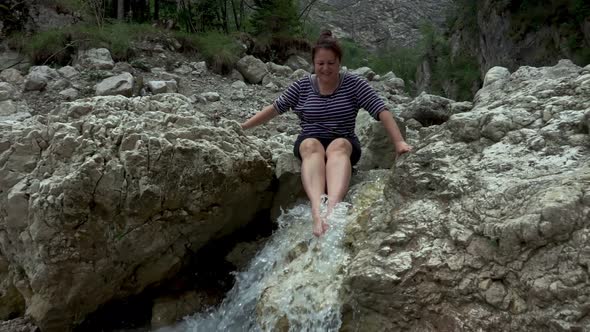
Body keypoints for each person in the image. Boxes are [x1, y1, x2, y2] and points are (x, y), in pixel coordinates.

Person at [240, 30, 412, 237]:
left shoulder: (354, 84)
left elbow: (381, 111)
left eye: (331, 63)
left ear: (339, 63)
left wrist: (399, 142)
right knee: (311, 145)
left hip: (344, 140)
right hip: (310, 138)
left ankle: (332, 208)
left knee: (337, 146)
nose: (326, 68)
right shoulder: (302, 86)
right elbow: (274, 109)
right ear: (314, 63)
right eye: (321, 63)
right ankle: (316, 210)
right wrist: (242, 128)